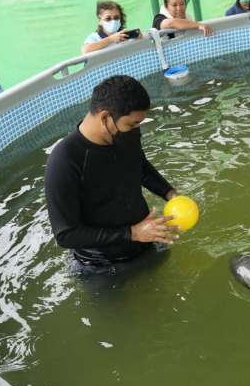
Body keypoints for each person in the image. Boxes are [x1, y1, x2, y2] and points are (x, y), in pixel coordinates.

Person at [44, 75, 180, 276]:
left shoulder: (126, 134)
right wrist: (132, 233)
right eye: (132, 124)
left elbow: (139, 165)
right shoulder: (64, 161)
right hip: (101, 265)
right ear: (105, 117)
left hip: (147, 240)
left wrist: (170, 193)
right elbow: (66, 234)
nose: (137, 129)